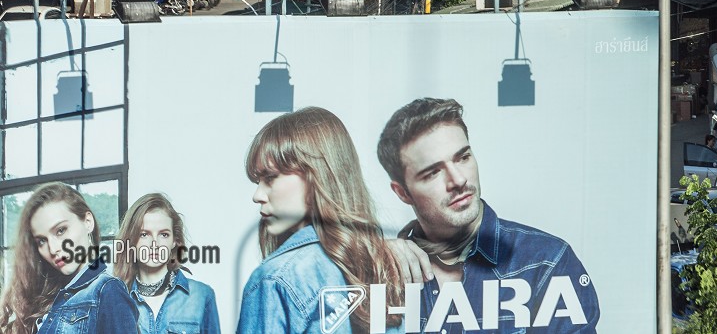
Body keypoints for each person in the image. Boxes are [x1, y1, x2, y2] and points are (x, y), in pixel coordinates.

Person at [376, 97, 600, 333]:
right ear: (403, 193)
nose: (458, 180)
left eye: (463, 158)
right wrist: (368, 258)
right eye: (433, 173)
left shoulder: (546, 262)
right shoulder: (379, 270)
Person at [238, 107, 402, 334]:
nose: (257, 196)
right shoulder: (387, 269)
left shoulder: (274, 280)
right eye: (258, 181)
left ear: (316, 175)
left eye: (270, 178)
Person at [0, 181, 140, 334]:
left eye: (61, 230)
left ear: (88, 222)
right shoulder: (50, 296)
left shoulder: (108, 290)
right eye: (42, 241)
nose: (53, 249)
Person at [113, 194, 219, 334]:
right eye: (144, 234)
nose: (154, 244)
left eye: (164, 234)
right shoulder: (114, 299)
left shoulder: (202, 295)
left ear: (175, 240)